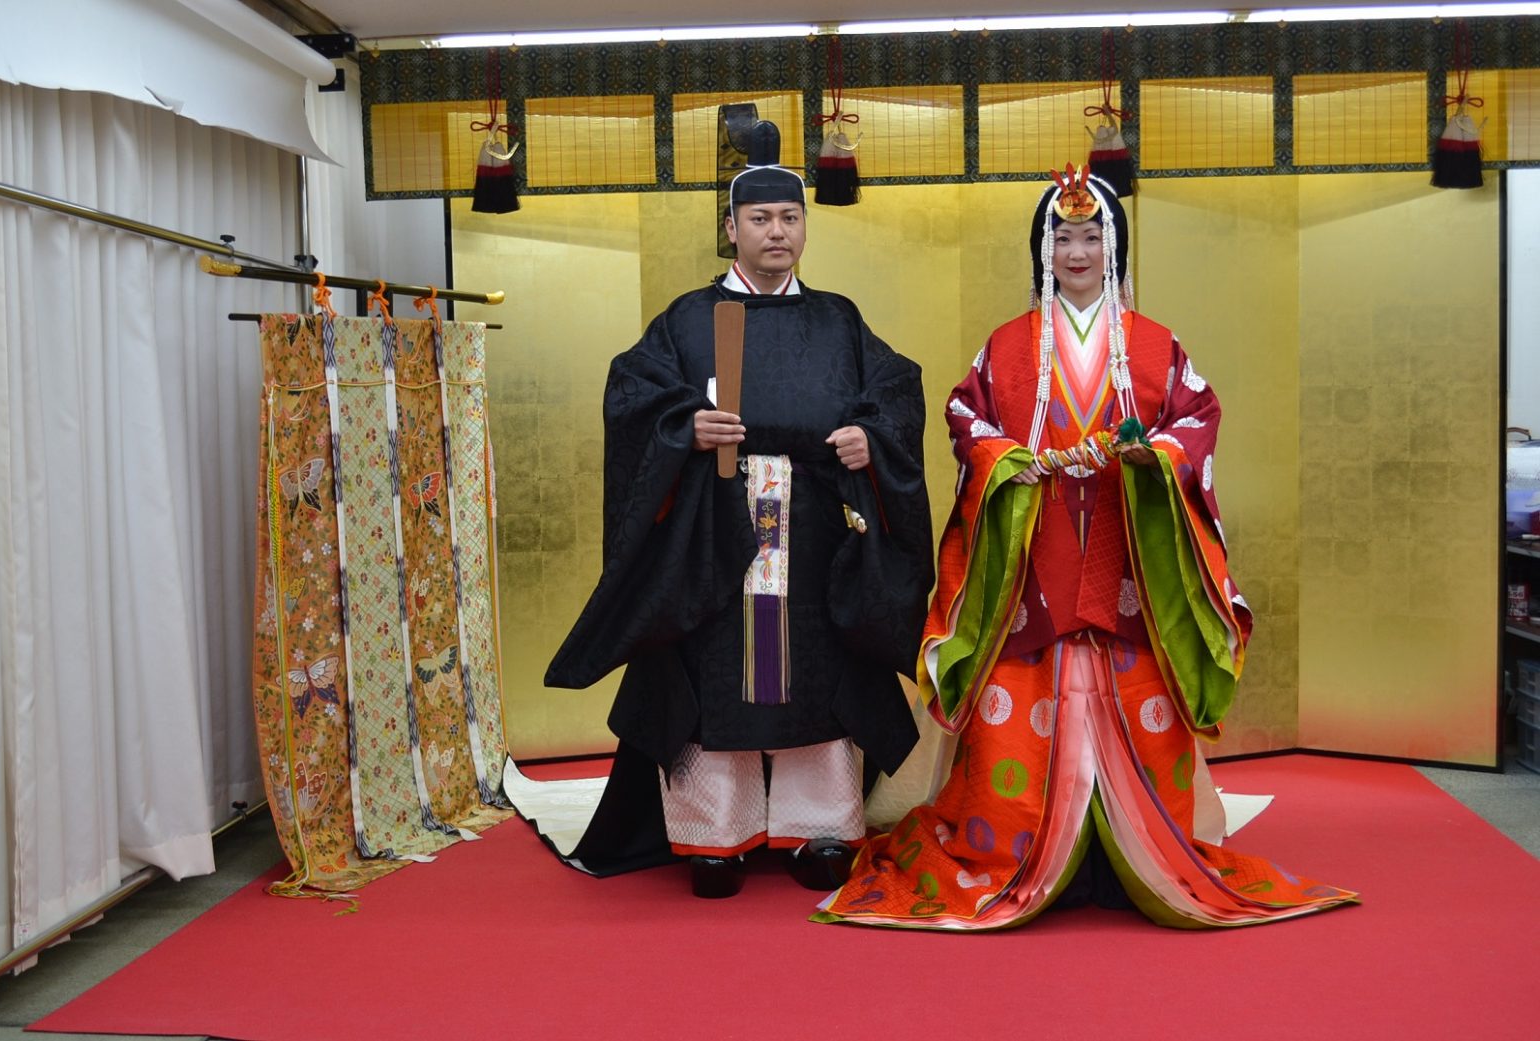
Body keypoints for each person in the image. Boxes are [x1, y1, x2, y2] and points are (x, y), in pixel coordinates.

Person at [813, 165, 1358, 930]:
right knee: (1017, 717)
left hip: (1125, 555)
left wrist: (1154, 456)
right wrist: (1008, 459)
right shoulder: (1007, 347)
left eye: (1092, 236)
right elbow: (966, 418)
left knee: (1138, 713)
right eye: (1062, 237)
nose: (1077, 252)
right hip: (1034, 560)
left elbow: (1196, 419)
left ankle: (1127, 858)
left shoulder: (1156, 345)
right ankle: (1024, 854)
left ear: (1115, 247)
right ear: (1042, 249)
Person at [540, 122, 934, 899]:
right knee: (716, 673)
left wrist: (871, 437)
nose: (776, 231)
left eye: (789, 217)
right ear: (731, 228)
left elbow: (896, 392)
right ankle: (713, 835)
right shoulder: (689, 320)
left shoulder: (838, 319)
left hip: (815, 525)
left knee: (818, 672)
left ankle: (821, 829)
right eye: (760, 218)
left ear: (805, 227)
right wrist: (684, 428)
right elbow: (632, 398)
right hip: (716, 525)